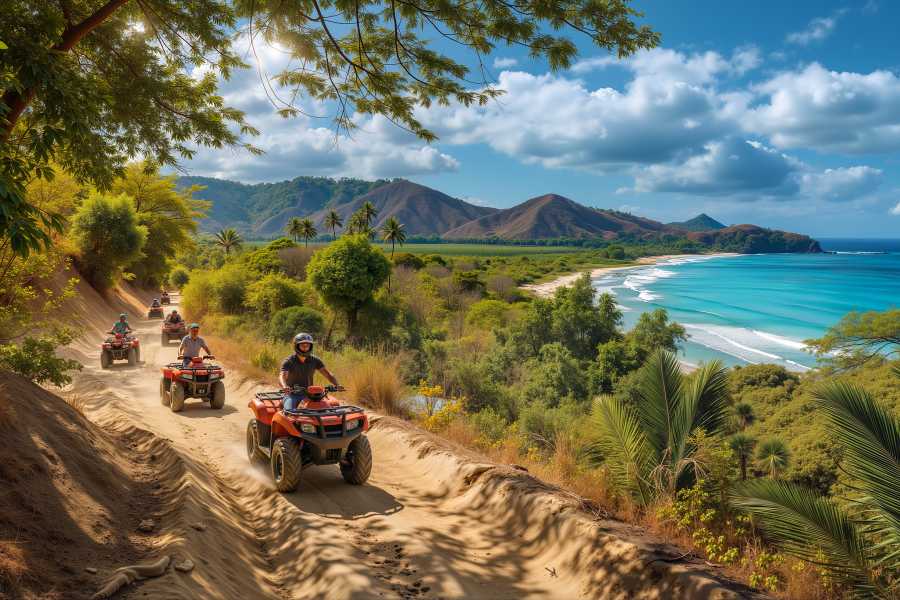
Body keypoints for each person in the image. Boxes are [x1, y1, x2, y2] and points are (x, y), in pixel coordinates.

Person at [279, 333, 340, 411]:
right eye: (302, 345)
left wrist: (337, 384)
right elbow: (282, 376)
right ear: (296, 346)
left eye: (307, 346)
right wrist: (284, 386)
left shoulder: (315, 360)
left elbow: (327, 374)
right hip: (292, 394)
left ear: (310, 347)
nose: (305, 348)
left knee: (330, 408)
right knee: (289, 411)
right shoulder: (289, 361)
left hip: (310, 395)